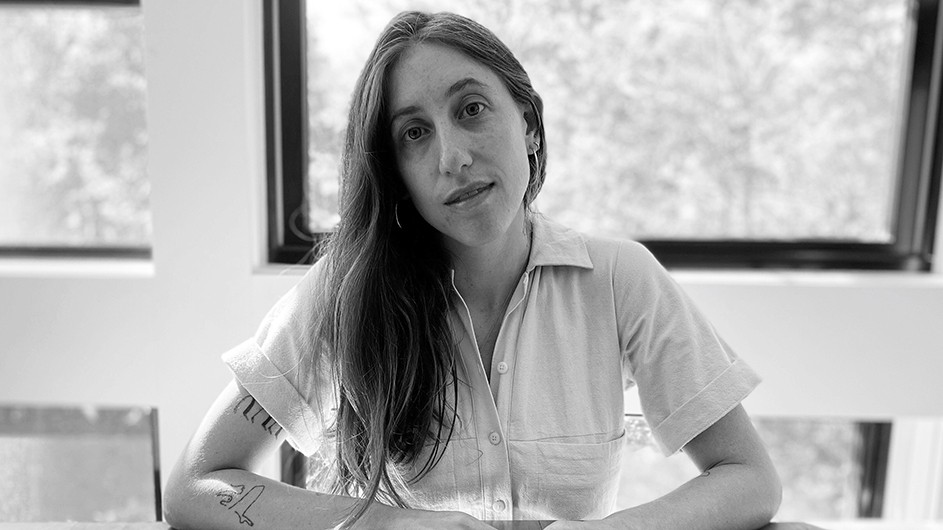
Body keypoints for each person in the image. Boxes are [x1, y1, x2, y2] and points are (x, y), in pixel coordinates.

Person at [163, 10, 782, 530]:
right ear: (396, 173)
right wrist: (393, 524)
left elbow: (749, 478)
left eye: (473, 109)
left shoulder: (620, 278)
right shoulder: (344, 293)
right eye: (413, 134)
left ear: (530, 126)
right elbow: (197, 486)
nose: (452, 158)